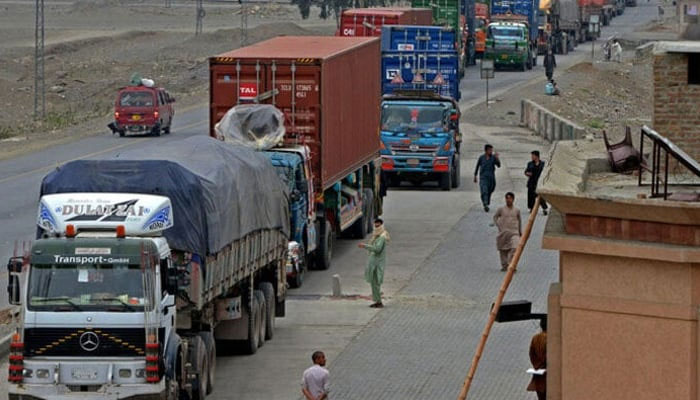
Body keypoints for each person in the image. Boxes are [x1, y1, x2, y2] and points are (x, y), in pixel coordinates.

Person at [359, 218, 389, 308]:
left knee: (376, 284)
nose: (376, 227)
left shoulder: (382, 237)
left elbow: (377, 249)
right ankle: (376, 301)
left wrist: (365, 246)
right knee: (374, 283)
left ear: (381, 225)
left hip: (377, 265)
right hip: (374, 264)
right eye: (375, 225)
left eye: (378, 225)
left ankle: (379, 302)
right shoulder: (377, 236)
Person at [493, 192, 522, 271]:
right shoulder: (501, 209)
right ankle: (504, 265)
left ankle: (511, 264)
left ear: (513, 199)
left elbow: (519, 221)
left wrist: (520, 231)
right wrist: (498, 225)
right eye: (507, 198)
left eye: (510, 198)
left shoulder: (517, 210)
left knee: (515, 247)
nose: (508, 200)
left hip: (514, 233)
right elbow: (495, 217)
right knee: (503, 250)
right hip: (503, 233)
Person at [474, 144, 501, 212]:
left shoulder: (493, 158)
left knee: (490, 189)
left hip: (491, 177)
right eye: (490, 150)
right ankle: (485, 204)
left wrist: (497, 158)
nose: (491, 151)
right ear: (486, 150)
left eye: (492, 150)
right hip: (483, 177)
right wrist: (475, 175)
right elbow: (477, 166)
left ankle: (486, 201)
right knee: (484, 190)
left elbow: (498, 165)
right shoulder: (481, 158)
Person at [527, 318, 547, 400]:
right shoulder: (552, 338)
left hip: (539, 374)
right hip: (549, 376)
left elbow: (532, 355)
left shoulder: (535, 338)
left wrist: (537, 366)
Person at [525, 151, 549, 215]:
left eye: (533, 156)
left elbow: (546, 172)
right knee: (531, 196)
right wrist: (528, 173)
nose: (532, 157)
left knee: (540, 196)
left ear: (537, 156)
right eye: (531, 156)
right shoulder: (530, 163)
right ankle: (531, 208)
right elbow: (526, 171)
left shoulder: (543, 164)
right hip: (531, 182)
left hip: (539, 182)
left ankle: (544, 208)